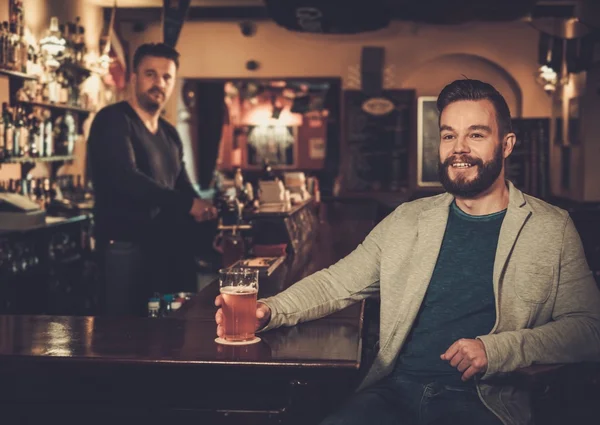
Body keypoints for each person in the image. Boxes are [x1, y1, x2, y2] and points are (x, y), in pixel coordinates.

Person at [214, 79, 600, 424]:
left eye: (476, 135)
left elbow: (589, 329)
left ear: (506, 144)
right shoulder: (407, 219)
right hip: (392, 393)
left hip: (485, 402)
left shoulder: (551, 227)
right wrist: (269, 310)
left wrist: (496, 349)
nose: (459, 149)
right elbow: (337, 282)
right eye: (449, 136)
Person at [88, 43, 217, 316]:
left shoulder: (169, 133)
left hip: (165, 247)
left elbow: (181, 181)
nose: (159, 83)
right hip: (124, 247)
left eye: (166, 76)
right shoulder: (113, 120)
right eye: (150, 74)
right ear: (134, 78)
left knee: (168, 332)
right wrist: (187, 205)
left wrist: (204, 205)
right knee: (124, 333)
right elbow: (126, 178)